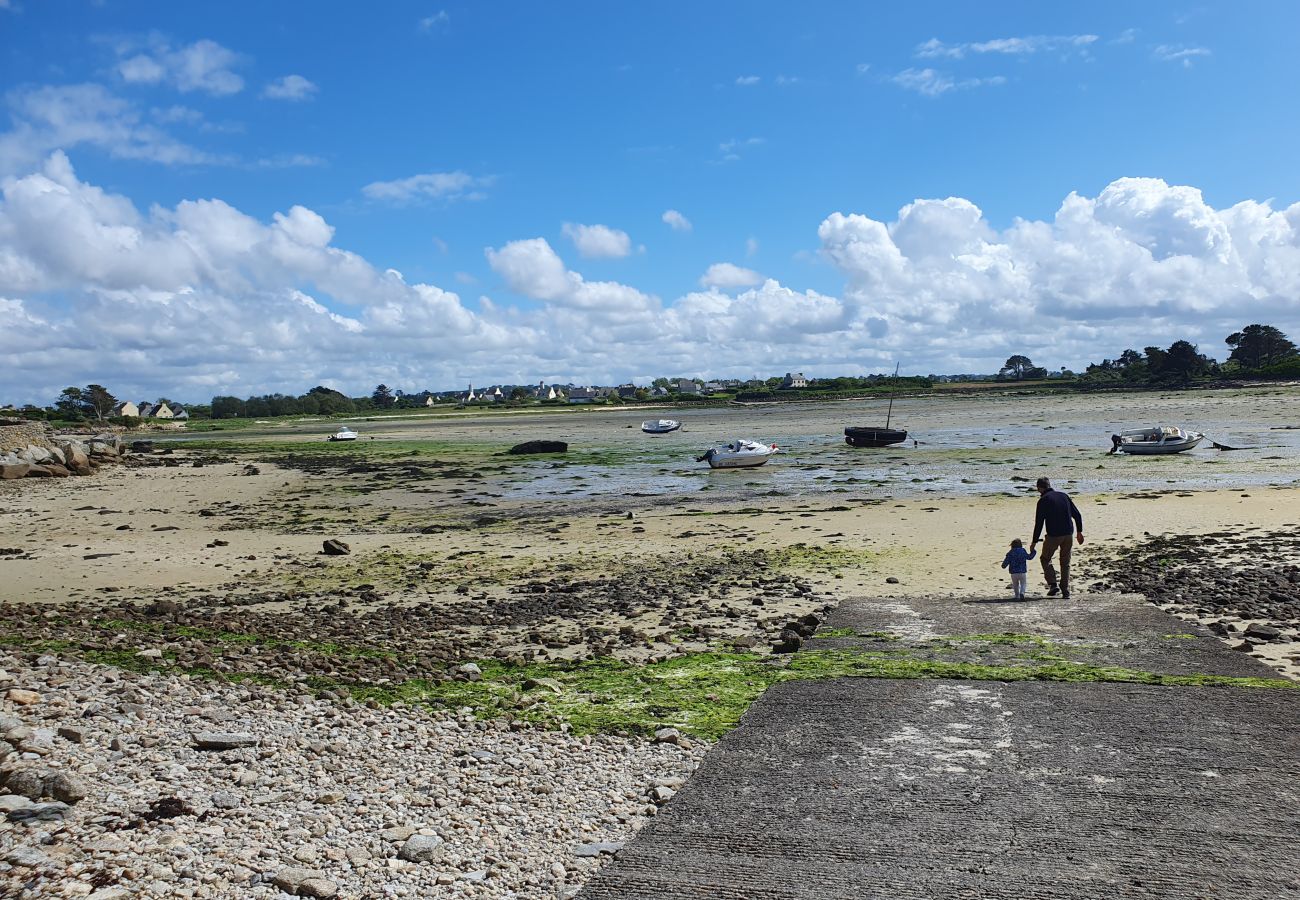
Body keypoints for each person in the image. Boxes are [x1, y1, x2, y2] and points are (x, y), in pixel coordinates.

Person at [1030, 477, 1084, 599]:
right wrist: (1079, 532)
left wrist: (1034, 542)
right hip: (1068, 534)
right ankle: (1065, 591)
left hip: (1054, 535)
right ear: (1049, 485)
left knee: (1045, 558)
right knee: (1065, 562)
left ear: (1039, 488)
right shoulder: (1064, 496)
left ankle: (1053, 584)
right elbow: (1077, 515)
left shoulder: (1043, 500)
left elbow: (1039, 523)